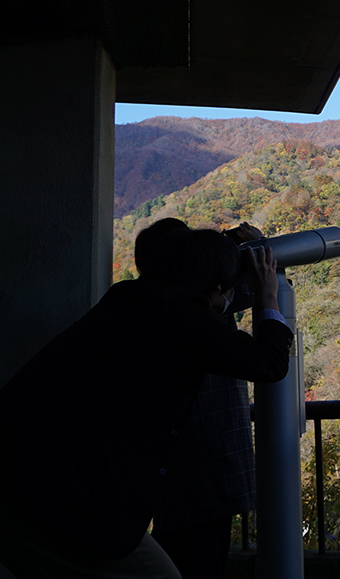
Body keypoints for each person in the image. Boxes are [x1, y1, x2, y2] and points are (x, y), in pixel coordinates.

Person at [0, 225, 290, 579]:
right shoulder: (178, 316)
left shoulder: (129, 300)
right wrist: (268, 297)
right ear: (215, 286)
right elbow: (269, 363)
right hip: (35, 501)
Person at [146, 220, 265, 579]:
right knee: (199, 563)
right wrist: (257, 247)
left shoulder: (153, 303)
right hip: (206, 467)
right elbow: (253, 289)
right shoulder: (191, 308)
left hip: (179, 471)